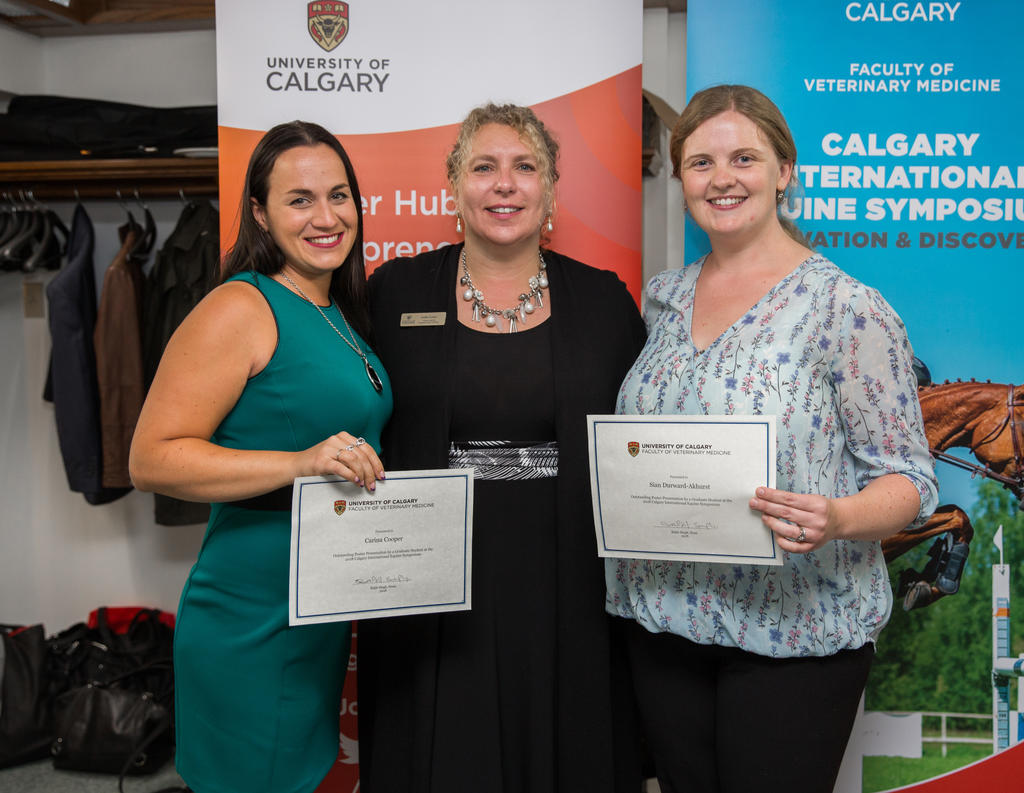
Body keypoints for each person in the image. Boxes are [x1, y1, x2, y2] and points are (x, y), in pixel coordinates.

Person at [606, 84, 938, 793]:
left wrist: (841, 517)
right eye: (700, 162)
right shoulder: (661, 300)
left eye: (744, 158)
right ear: (681, 178)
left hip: (794, 632)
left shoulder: (846, 306)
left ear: (785, 171)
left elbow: (910, 477)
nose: (721, 178)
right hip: (666, 622)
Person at [356, 103, 645, 793]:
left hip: (567, 569)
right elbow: (348, 403)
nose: (504, 184)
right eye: (484, 167)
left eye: (525, 167)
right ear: (455, 187)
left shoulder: (605, 301)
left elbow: (644, 434)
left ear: (551, 190)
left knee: (564, 744)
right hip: (431, 574)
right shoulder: (394, 294)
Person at [129, 120, 392, 793]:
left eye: (339, 195)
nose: (327, 217)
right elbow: (151, 458)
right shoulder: (241, 306)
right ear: (259, 212)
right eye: (300, 199)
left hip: (314, 609)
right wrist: (300, 462)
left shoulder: (338, 308)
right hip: (251, 616)